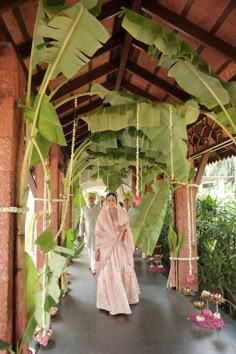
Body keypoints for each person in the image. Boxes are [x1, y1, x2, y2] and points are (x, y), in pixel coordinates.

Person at [95, 192, 140, 315]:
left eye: (113, 200)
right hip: (107, 247)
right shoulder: (102, 215)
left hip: (119, 246)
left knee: (123, 268)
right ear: (106, 201)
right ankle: (108, 302)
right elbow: (98, 232)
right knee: (108, 271)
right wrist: (99, 247)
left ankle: (125, 297)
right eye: (108, 200)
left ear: (116, 201)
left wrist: (124, 230)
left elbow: (127, 227)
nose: (110, 202)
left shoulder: (122, 213)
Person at [79, 192, 100, 274]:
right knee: (89, 249)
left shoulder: (98, 208)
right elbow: (81, 222)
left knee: (94, 249)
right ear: (87, 199)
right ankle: (92, 264)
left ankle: (93, 266)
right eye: (89, 198)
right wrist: (81, 232)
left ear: (94, 199)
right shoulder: (83, 209)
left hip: (97, 232)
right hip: (87, 233)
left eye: (92, 198)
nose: (91, 200)